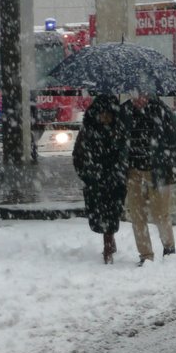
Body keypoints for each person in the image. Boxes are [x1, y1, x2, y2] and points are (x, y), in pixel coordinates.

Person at [122, 90, 176, 265]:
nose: (138, 100)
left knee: (160, 213)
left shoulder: (161, 110)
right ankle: (145, 255)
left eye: (141, 95)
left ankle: (169, 247)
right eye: (134, 95)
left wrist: (169, 162)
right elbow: (119, 139)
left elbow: (175, 138)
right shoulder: (124, 112)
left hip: (157, 170)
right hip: (133, 170)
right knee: (137, 214)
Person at [72, 94, 129, 264]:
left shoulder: (118, 130)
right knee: (99, 214)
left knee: (111, 214)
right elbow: (78, 156)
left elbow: (124, 154)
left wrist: (119, 172)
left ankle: (108, 245)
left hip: (113, 180)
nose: (105, 117)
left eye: (108, 114)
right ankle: (109, 241)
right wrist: (88, 174)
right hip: (96, 181)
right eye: (102, 114)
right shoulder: (89, 131)